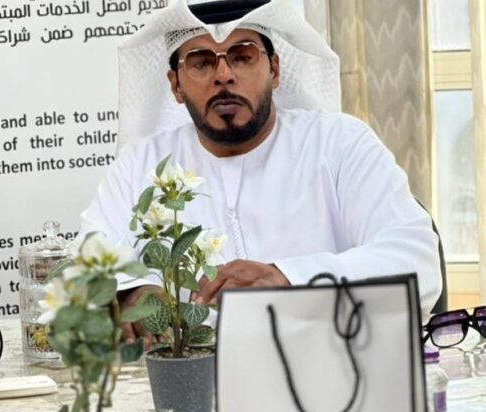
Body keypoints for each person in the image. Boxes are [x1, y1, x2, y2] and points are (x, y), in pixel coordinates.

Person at [77, 0, 442, 343]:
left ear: (275, 70)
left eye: (242, 57)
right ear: (175, 85)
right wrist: (129, 291)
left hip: (328, 368)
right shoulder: (141, 164)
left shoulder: (339, 143)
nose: (224, 75)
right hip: (189, 378)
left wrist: (288, 278)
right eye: (202, 63)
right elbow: (86, 259)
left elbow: (417, 264)